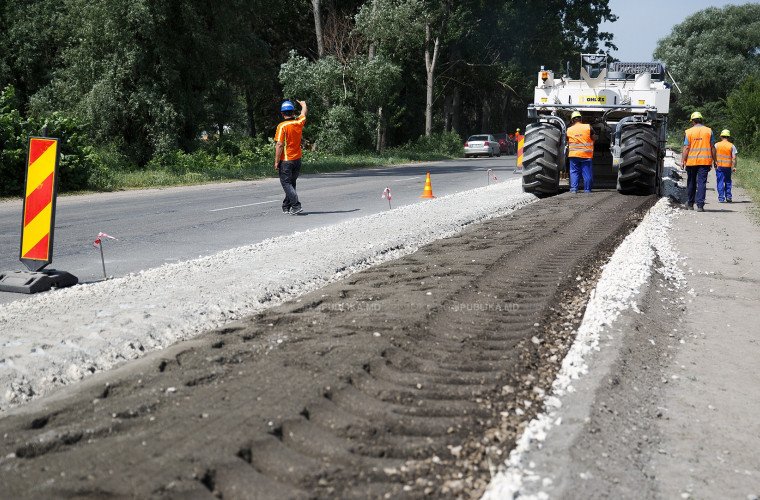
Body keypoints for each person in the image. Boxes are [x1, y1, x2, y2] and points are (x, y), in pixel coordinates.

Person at [274, 99, 308, 215]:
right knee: (291, 183)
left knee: (286, 183)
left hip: (287, 161)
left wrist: (276, 161)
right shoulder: (298, 122)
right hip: (297, 159)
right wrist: (303, 105)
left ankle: (296, 206)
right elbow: (303, 114)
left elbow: (279, 144)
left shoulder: (282, 126)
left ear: (282, 113)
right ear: (293, 112)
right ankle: (286, 206)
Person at [681, 111, 716, 212]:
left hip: (691, 162)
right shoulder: (709, 131)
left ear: (692, 121)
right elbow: (712, 147)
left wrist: (683, 160)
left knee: (691, 182)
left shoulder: (688, 132)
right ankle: (700, 206)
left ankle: (690, 204)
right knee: (702, 183)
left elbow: (686, 148)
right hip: (705, 162)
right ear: (701, 120)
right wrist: (715, 160)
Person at [566, 111, 596, 193]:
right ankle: (587, 190)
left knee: (574, 172)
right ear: (581, 119)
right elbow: (594, 138)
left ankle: (574, 189)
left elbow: (568, 141)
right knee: (587, 173)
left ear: (572, 120)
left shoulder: (569, 129)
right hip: (586, 155)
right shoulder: (588, 127)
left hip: (573, 155)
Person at [714, 129, 738, 203]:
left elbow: (713, 155)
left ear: (721, 136)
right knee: (728, 181)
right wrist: (733, 167)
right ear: (728, 137)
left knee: (720, 181)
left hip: (719, 166)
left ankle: (721, 198)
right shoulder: (732, 146)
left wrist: (714, 163)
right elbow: (734, 158)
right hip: (728, 166)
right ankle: (728, 197)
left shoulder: (716, 145)